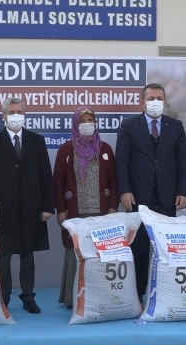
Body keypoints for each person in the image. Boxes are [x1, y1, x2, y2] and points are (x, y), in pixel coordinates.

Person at [115, 83, 186, 300]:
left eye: (159, 98)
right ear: (142, 102)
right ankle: (138, 293)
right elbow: (122, 162)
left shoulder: (175, 126)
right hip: (138, 197)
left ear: (165, 101)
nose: (155, 102)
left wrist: (183, 191)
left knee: (165, 249)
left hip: (168, 197)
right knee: (139, 248)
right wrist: (125, 190)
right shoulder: (129, 125)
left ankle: (165, 293)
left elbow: (183, 163)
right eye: (151, 98)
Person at [0, 97, 54, 314]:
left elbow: (45, 175)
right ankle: (3, 298)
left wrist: (47, 206)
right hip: (3, 210)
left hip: (31, 208)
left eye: (19, 112)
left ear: (25, 114)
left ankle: (28, 297)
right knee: (3, 257)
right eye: (11, 112)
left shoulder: (36, 141)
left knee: (28, 257)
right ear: (3, 116)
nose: (16, 116)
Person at [53, 106, 119, 308]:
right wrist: (61, 209)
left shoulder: (105, 149)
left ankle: (99, 296)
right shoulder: (66, 149)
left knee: (100, 256)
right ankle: (72, 298)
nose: (87, 124)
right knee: (75, 254)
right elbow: (58, 183)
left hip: (101, 212)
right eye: (82, 121)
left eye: (90, 120)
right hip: (75, 212)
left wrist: (113, 208)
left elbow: (114, 182)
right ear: (75, 124)